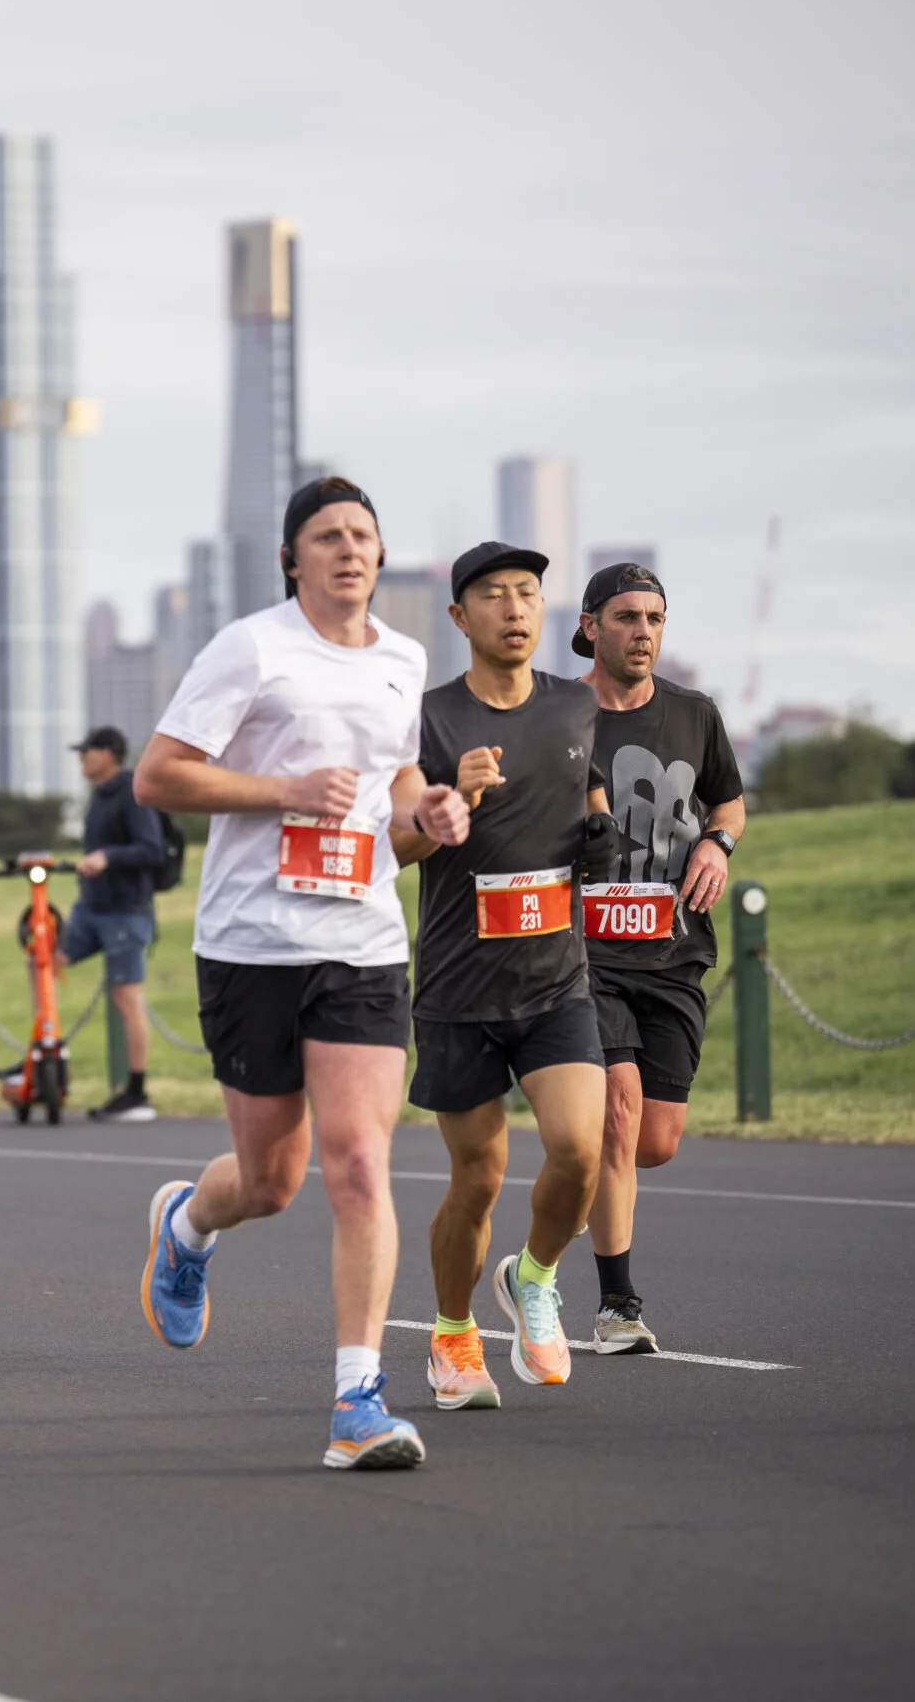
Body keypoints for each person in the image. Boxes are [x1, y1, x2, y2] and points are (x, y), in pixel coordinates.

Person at [132, 476, 467, 1470]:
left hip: (361, 939)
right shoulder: (251, 648)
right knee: (273, 1182)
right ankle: (189, 1223)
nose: (349, 550)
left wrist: (431, 815)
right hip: (251, 943)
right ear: (293, 558)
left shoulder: (406, 660)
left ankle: (356, 1402)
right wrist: (282, 790)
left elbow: (397, 785)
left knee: (359, 1162)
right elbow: (160, 774)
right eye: (327, 536)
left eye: (363, 535)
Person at [392, 539, 615, 1410]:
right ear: (460, 617)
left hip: (556, 975)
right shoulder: (429, 719)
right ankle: (452, 1335)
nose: (516, 608)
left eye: (528, 592)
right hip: (457, 986)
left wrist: (597, 825)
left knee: (579, 1150)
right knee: (479, 1176)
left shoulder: (573, 704)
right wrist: (455, 797)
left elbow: (584, 781)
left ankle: (535, 1274)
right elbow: (401, 843)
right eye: (495, 595)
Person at [569, 562, 745, 1354]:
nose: (644, 631)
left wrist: (719, 841)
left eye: (655, 618)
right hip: (582, 953)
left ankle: (555, 1214)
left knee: (653, 1139)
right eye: (628, 616)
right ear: (591, 624)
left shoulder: (695, 714)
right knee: (617, 1112)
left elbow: (729, 799)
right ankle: (616, 1307)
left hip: (674, 951)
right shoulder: (557, 715)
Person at [61, 726, 167, 1123]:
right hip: (91, 907)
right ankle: (43, 1054)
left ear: (108, 754)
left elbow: (151, 848)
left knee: (127, 998)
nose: (81, 759)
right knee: (45, 960)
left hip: (126, 910)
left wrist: (108, 857)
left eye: (86, 751)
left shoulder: (131, 791)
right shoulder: (98, 796)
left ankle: (136, 1091)